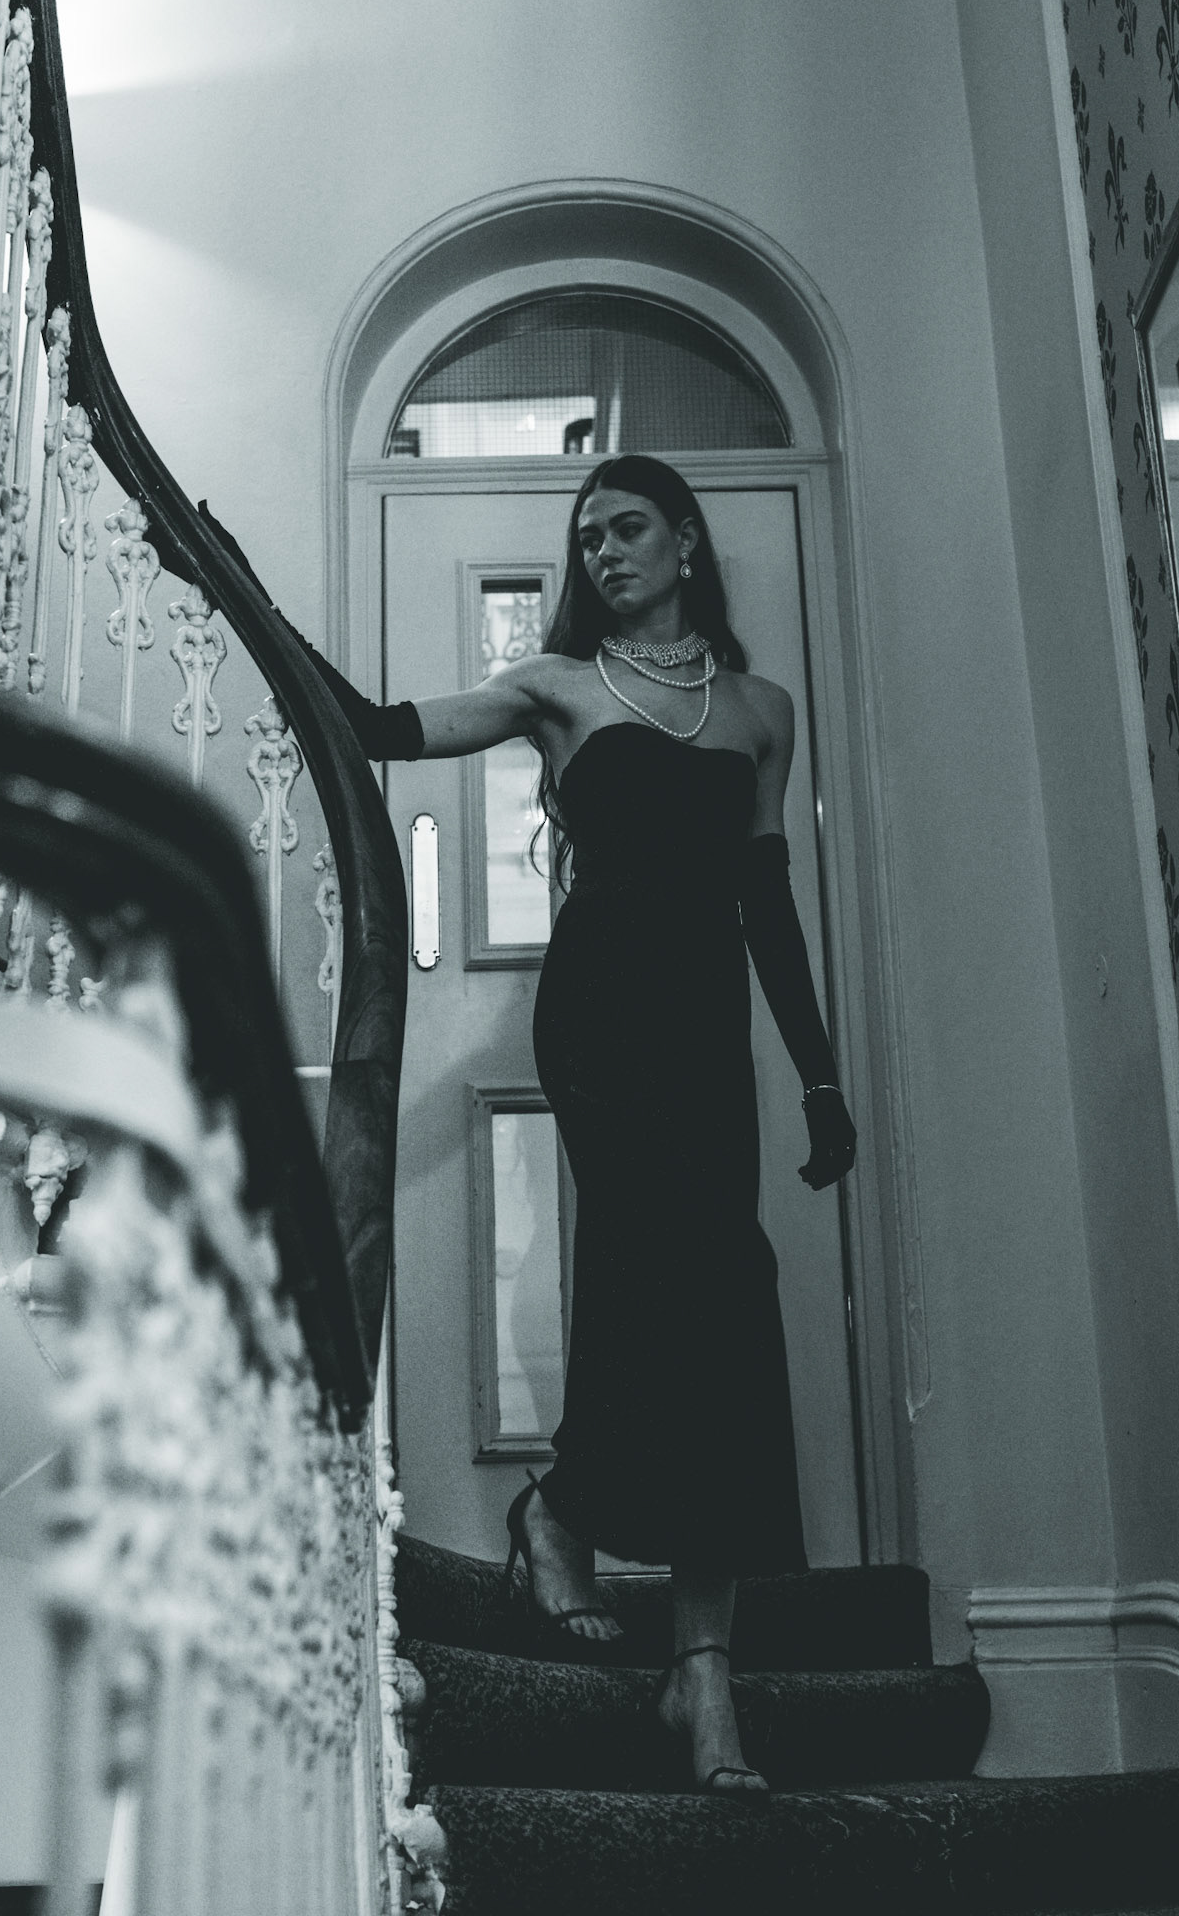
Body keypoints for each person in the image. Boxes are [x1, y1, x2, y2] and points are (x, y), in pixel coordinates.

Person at [286, 454, 857, 1798]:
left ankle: (696, 1664)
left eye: (626, 528)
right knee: (655, 1274)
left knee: (728, 1298)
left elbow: (768, 906)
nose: (602, 551)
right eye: (586, 537)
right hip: (601, 1012)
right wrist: (254, 597)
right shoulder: (554, 686)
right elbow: (378, 729)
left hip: (708, 1024)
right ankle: (569, 1512)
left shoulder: (761, 713)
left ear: (685, 542)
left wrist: (820, 1077)